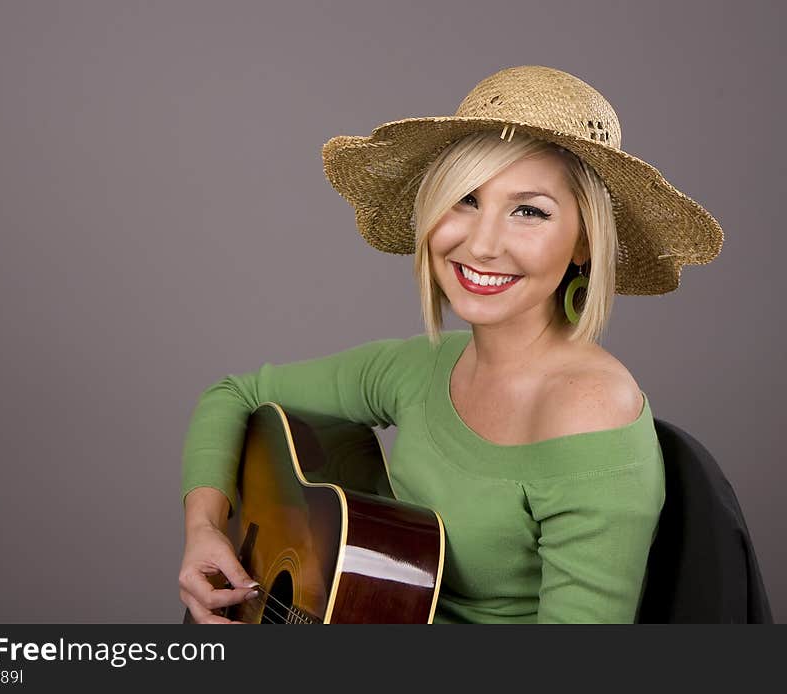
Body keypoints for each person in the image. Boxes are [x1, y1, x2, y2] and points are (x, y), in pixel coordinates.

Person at [178, 65, 724, 624]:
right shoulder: (417, 369)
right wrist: (204, 529)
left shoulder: (591, 412)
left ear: (585, 241)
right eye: (465, 199)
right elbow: (234, 394)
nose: (482, 243)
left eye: (529, 211)